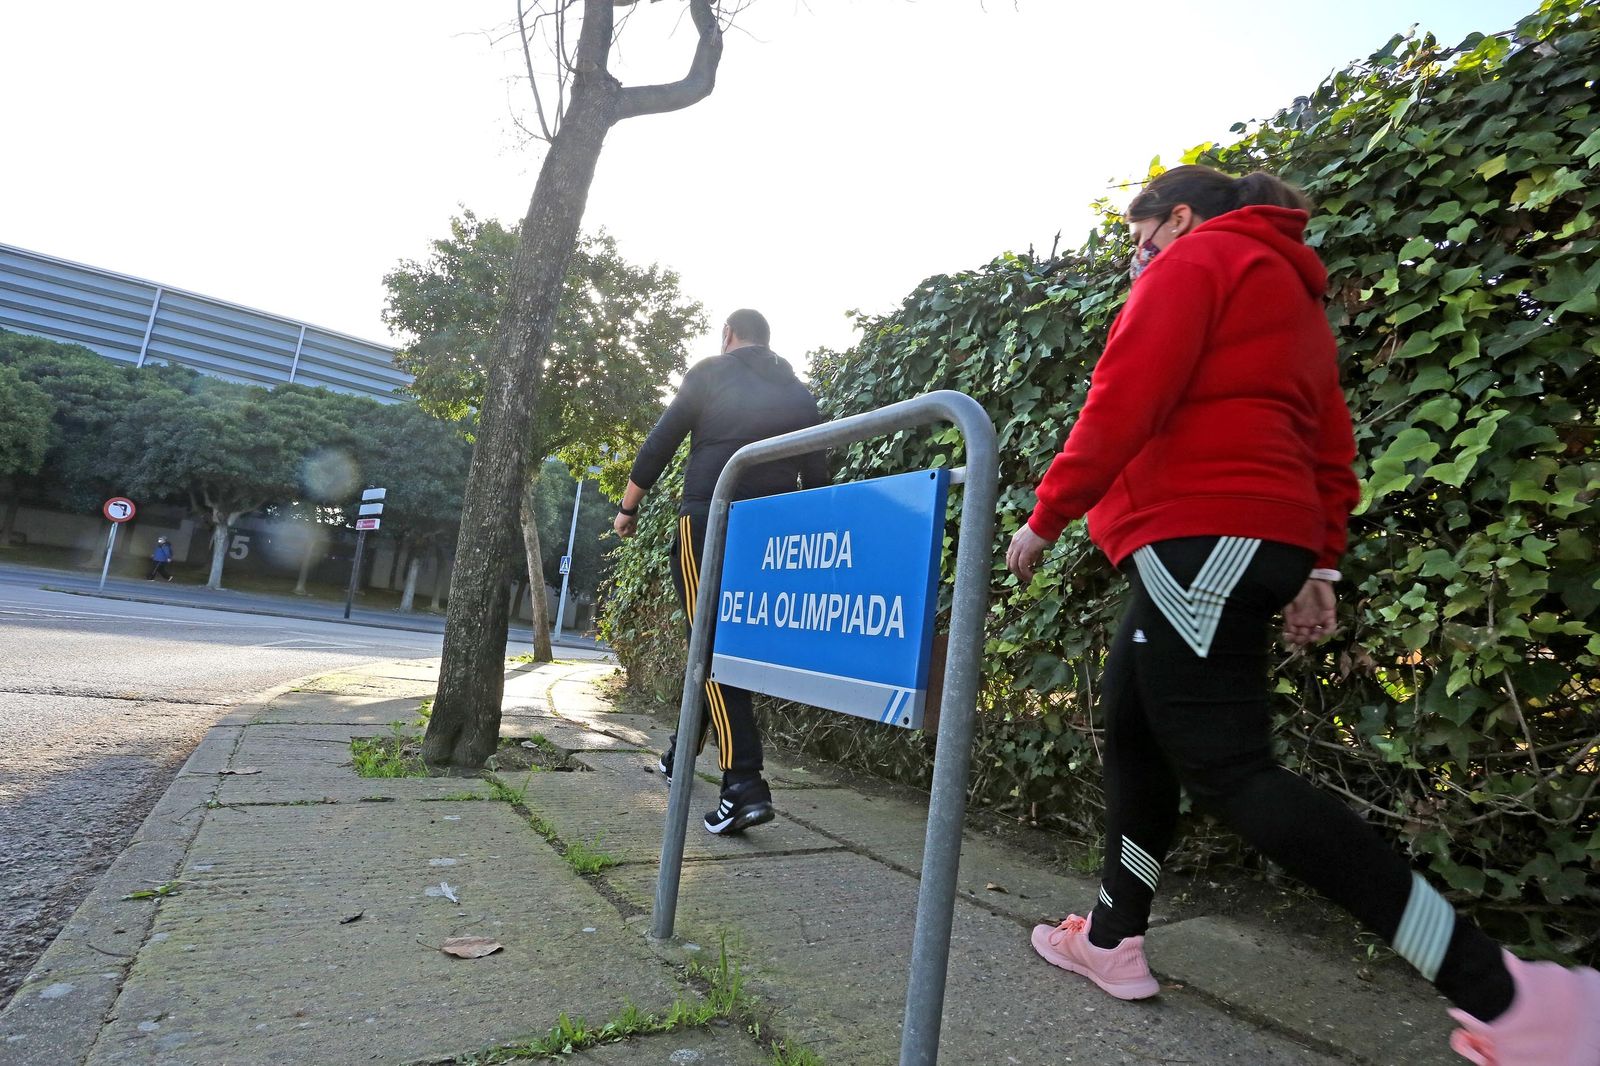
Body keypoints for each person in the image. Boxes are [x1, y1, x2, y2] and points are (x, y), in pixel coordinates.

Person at [1005, 164, 1600, 1065]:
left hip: (1199, 535)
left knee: (1234, 771)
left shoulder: (1196, 262)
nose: (1137, 260)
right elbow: (1329, 441)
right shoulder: (1289, 295)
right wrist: (1317, 564)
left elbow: (1125, 393)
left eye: (1139, 242)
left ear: (1178, 217)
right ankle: (1114, 938)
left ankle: (1510, 998)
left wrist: (1047, 515)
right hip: (1241, 539)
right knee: (1133, 728)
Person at [615, 309, 828, 835]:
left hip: (709, 519)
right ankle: (679, 754)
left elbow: (661, 441)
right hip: (771, 535)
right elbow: (819, 475)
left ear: (728, 335)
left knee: (710, 647)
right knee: (724, 647)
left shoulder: (709, 371)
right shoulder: (799, 393)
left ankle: (744, 785)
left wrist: (628, 507)